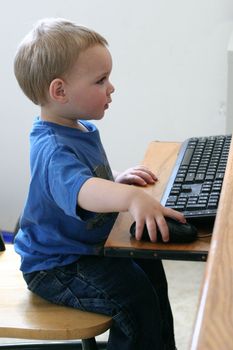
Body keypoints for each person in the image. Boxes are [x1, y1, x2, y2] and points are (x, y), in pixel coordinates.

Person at [14, 18, 185, 350]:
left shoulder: (77, 128)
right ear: (60, 91)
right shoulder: (52, 148)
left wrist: (114, 181)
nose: (112, 87)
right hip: (57, 265)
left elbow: (84, 182)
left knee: (151, 269)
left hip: (84, 246)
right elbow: (80, 190)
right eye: (101, 80)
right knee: (134, 299)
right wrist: (130, 198)